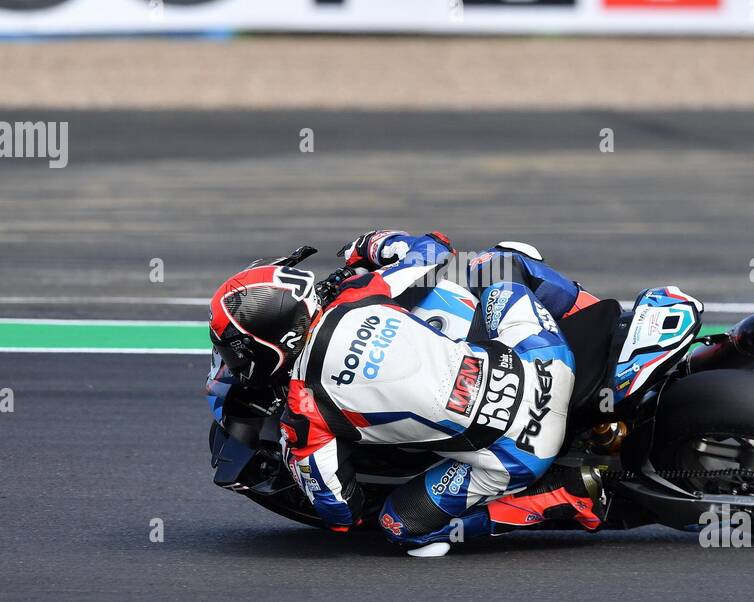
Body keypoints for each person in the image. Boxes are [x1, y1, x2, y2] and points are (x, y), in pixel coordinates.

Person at [208, 230, 604, 556]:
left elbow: (341, 512)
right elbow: (433, 248)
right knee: (498, 264)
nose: (234, 359)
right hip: (547, 363)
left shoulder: (303, 409)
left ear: (270, 341)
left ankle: (567, 496)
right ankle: (593, 313)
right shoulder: (357, 296)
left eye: (235, 350)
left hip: (521, 454)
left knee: (399, 525)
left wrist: (293, 457)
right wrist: (369, 245)